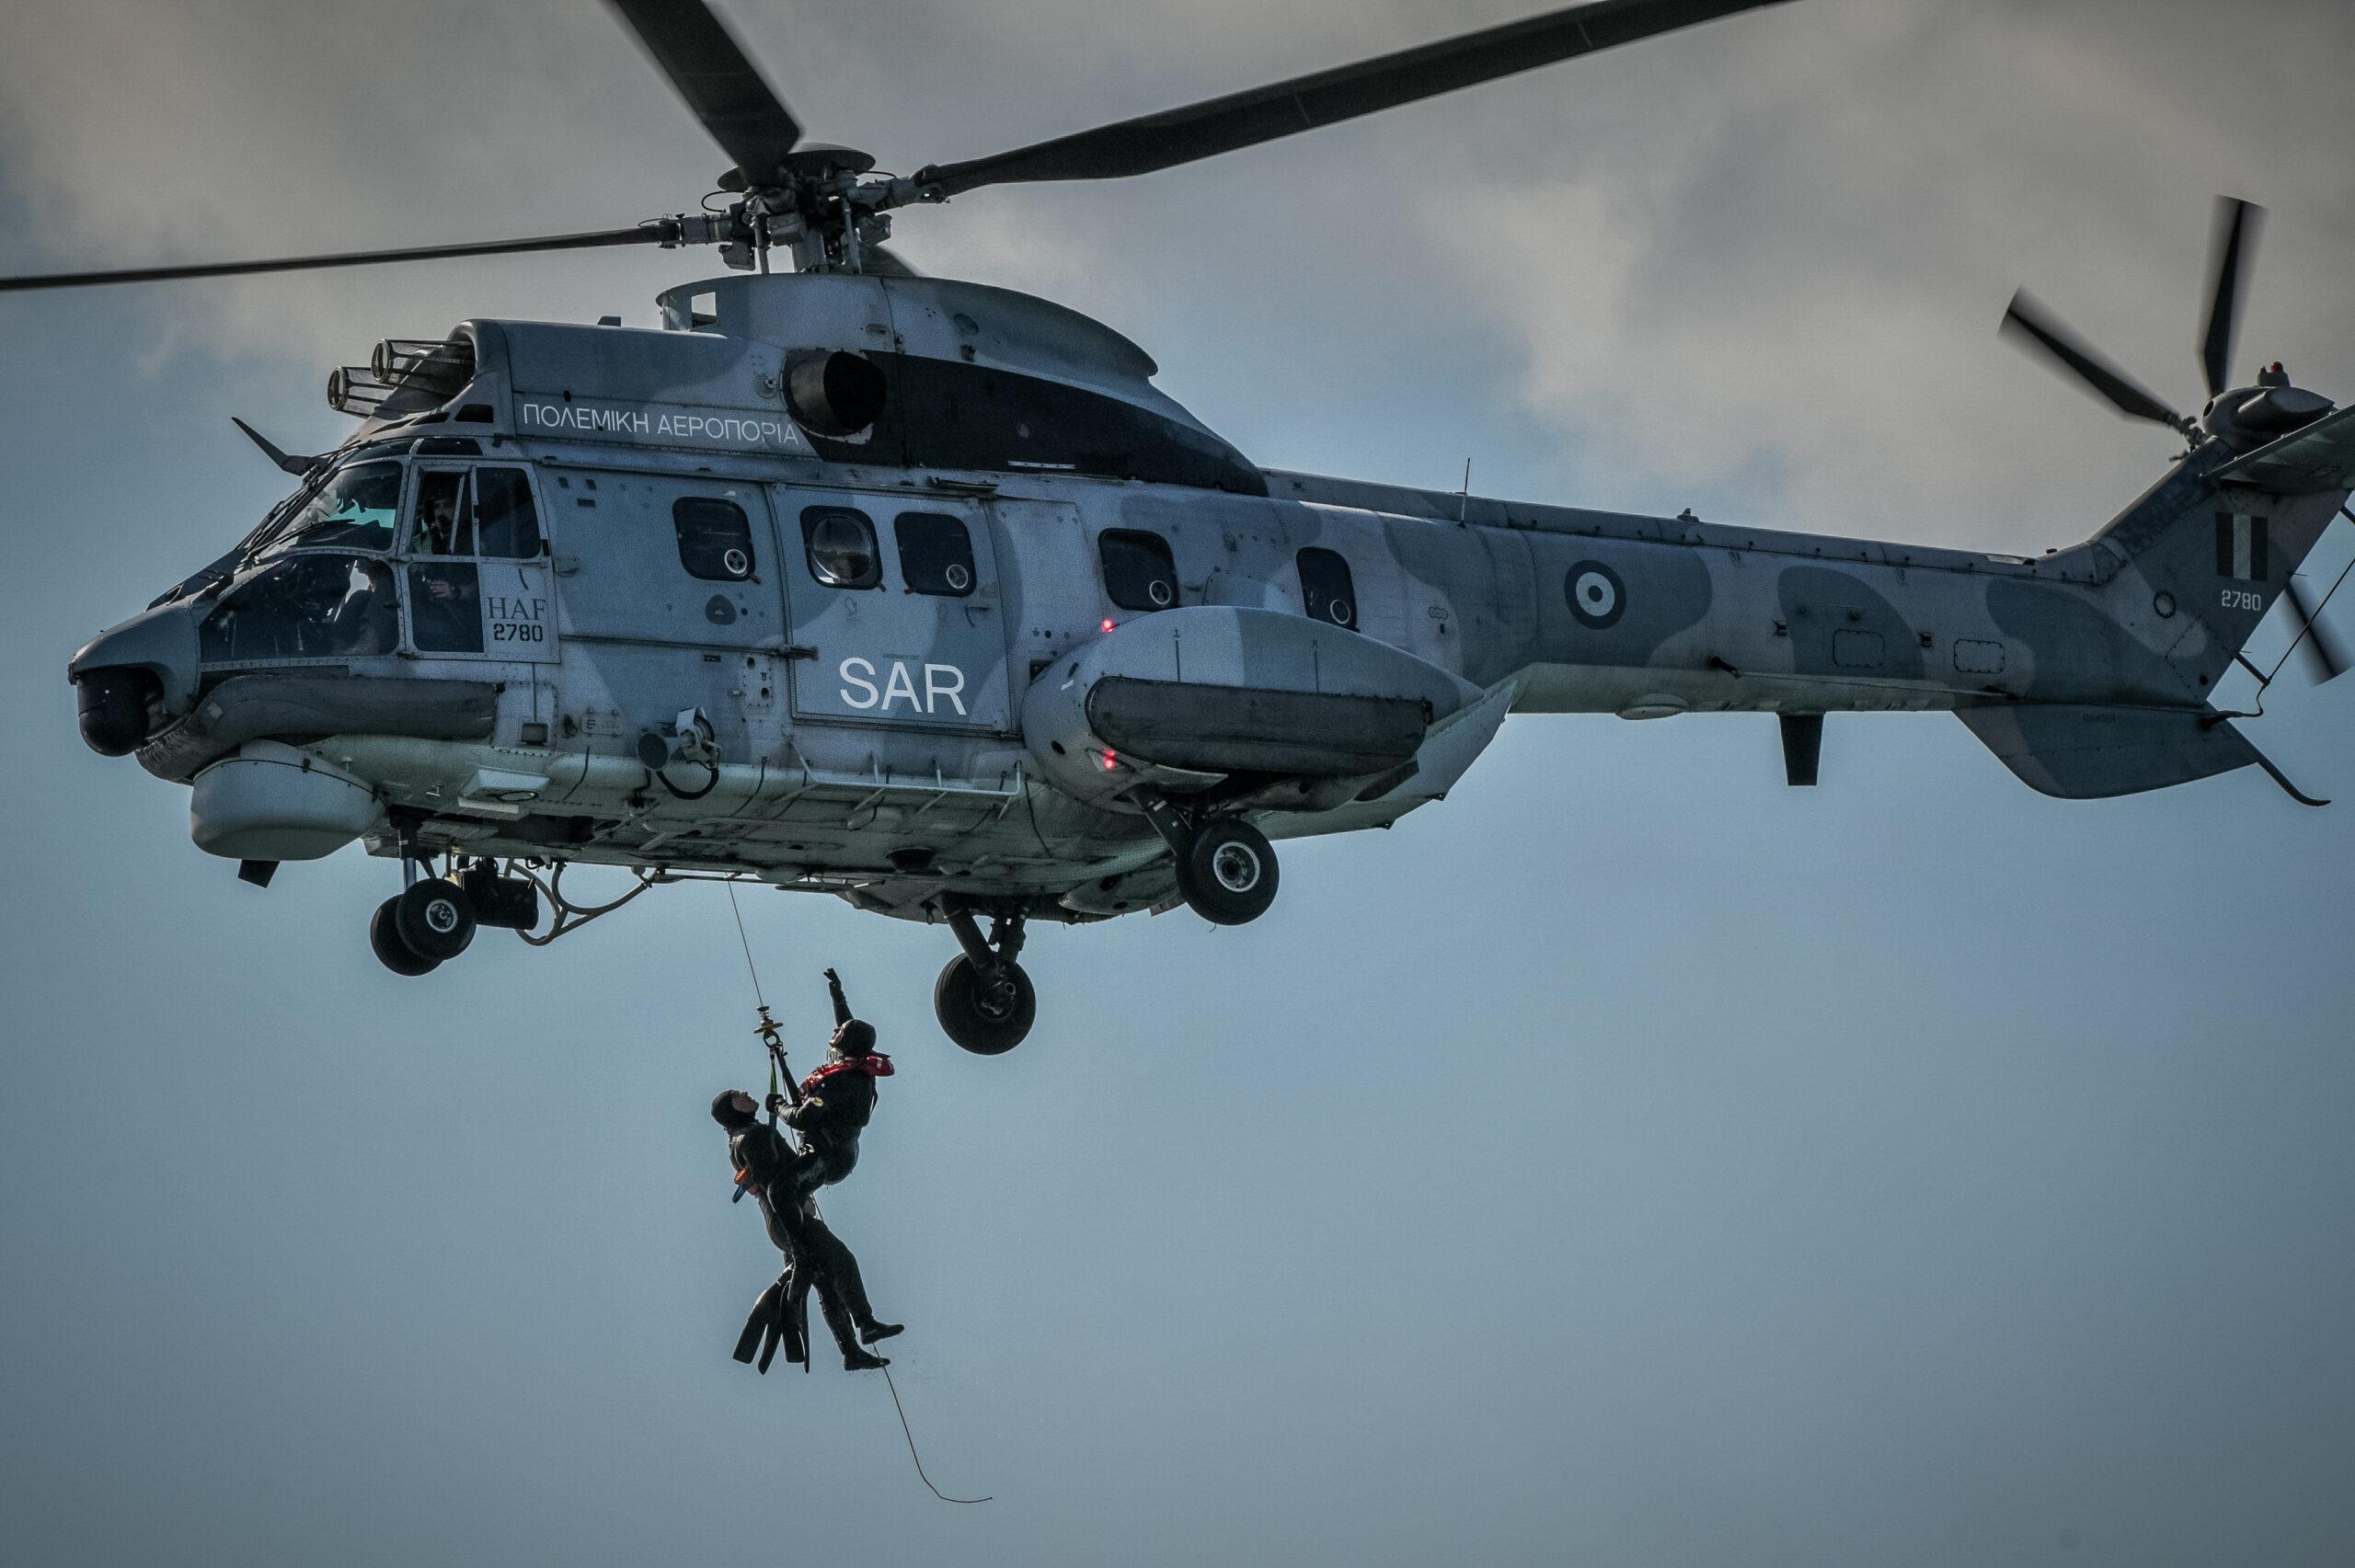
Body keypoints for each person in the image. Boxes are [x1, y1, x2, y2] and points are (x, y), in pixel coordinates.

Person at [712, 1086, 900, 1372]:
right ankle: (865, 1323)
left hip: (784, 1221)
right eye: (737, 1095)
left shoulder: (742, 1139)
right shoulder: (753, 1137)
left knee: (827, 1284)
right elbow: (776, 1187)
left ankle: (850, 1351)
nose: (746, 1093)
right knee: (842, 1260)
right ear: (730, 1110)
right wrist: (797, 1244)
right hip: (789, 1219)